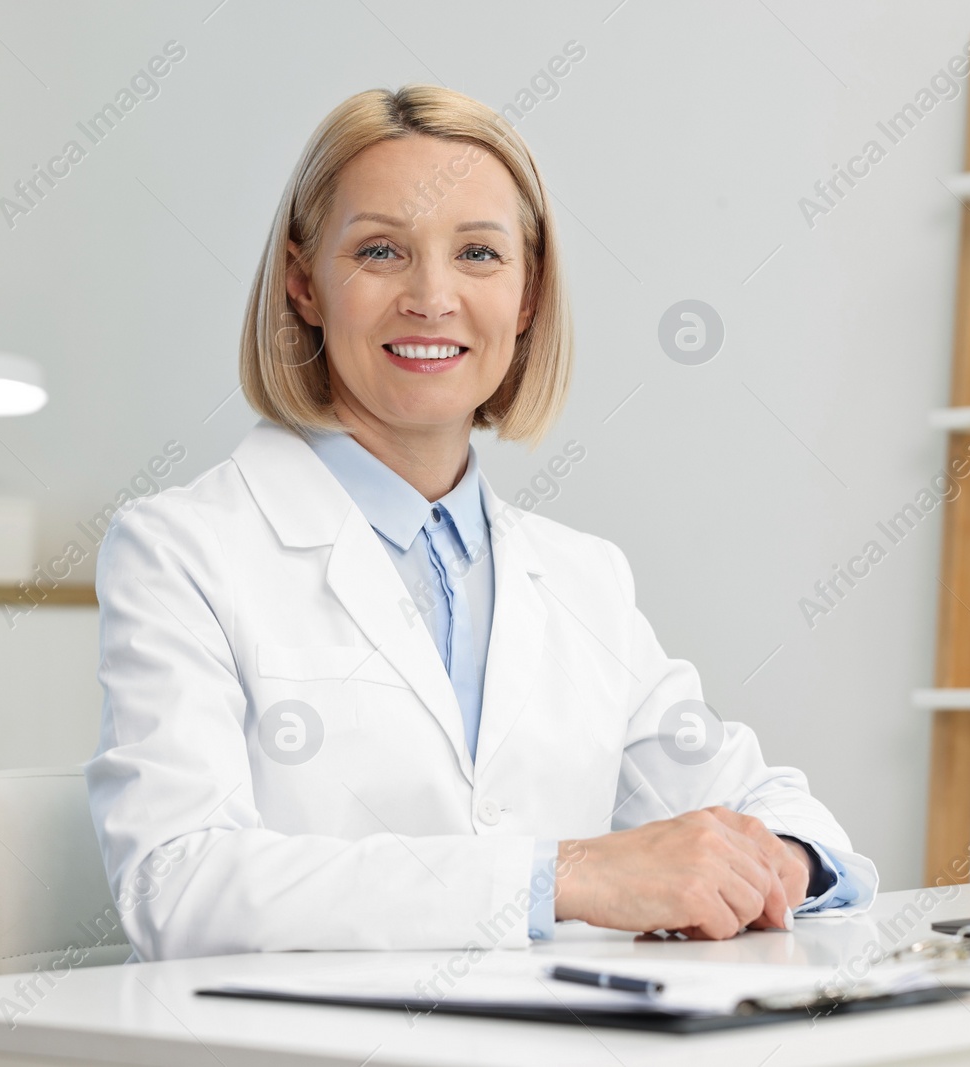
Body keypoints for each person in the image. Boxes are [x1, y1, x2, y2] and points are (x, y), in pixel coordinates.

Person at [86, 83, 876, 960]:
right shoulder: (182, 548)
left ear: (529, 295)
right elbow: (180, 883)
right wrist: (562, 876)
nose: (432, 297)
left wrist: (783, 862)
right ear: (304, 282)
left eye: (478, 254)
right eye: (382, 250)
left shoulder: (585, 577)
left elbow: (766, 805)